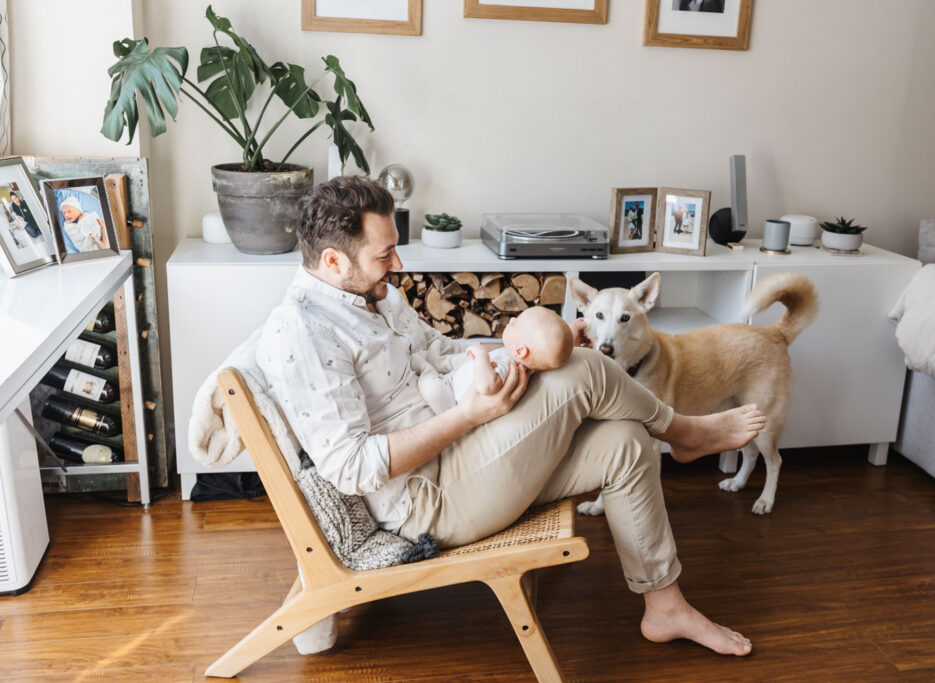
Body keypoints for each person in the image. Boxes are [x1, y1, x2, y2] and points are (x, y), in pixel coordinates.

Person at [257, 176, 766, 657]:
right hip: (426, 501)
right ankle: (686, 432)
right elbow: (351, 467)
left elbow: (441, 349)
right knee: (587, 368)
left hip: (465, 456)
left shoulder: (371, 295)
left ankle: (666, 608)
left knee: (627, 442)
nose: (397, 262)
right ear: (332, 260)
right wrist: (473, 415)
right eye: (384, 254)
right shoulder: (303, 334)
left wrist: (516, 355)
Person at [414, 306, 573, 414]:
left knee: (431, 388)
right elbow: (551, 344)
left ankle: (424, 366)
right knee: (465, 358)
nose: (511, 320)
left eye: (516, 323)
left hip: (451, 397)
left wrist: (481, 356)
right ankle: (438, 361)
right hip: (460, 376)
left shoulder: (508, 368)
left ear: (520, 350)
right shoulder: (526, 359)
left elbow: (486, 386)